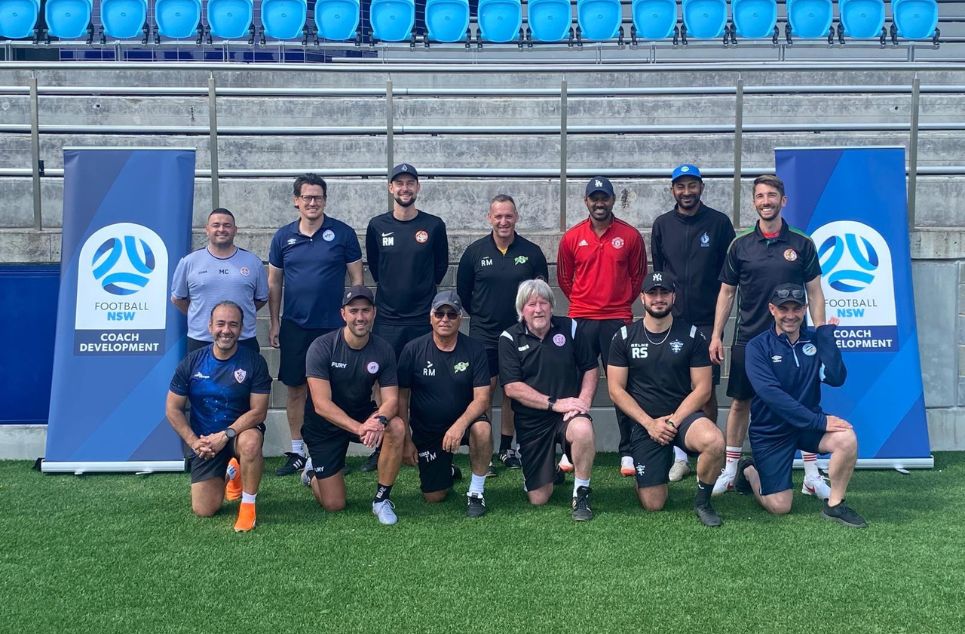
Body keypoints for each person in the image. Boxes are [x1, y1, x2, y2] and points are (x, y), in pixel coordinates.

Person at [709, 174, 828, 498]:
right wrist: (716, 335)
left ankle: (813, 474)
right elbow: (727, 293)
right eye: (760, 196)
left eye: (772, 196)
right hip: (749, 339)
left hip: (794, 340)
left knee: (803, 403)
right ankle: (732, 470)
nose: (766, 201)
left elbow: (815, 292)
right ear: (754, 202)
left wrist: (819, 335)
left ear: (783, 201)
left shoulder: (802, 244)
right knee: (740, 403)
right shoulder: (740, 245)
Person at [735, 283, 866, 528]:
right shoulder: (757, 347)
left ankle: (835, 505)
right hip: (771, 431)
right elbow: (771, 394)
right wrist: (820, 421)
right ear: (772, 309)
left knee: (846, 439)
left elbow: (837, 379)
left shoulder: (815, 340)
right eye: (784, 309)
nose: (790, 315)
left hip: (806, 426)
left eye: (797, 308)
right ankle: (749, 470)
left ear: (805, 308)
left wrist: (826, 338)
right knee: (780, 507)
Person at [607, 272, 726, 527]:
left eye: (664, 293)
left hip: (683, 418)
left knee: (714, 441)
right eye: (653, 293)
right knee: (654, 503)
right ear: (642, 298)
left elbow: (703, 389)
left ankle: (703, 502)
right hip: (645, 422)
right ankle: (649, 472)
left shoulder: (692, 335)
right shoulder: (624, 337)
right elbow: (616, 390)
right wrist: (650, 424)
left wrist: (673, 422)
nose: (658, 299)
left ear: (673, 296)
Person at [268, 174, 364, 477]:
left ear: (325, 200)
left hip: (334, 328)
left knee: (333, 392)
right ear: (296, 200)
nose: (312, 202)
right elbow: (274, 282)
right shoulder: (283, 237)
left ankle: (330, 451)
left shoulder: (343, 234)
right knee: (296, 389)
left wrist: (353, 319)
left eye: (318, 197)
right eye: (307, 197)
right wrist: (274, 322)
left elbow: (357, 281)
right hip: (296, 325)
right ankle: (297, 451)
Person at [557, 176, 647, 478]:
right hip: (581, 319)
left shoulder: (630, 236)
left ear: (612, 200)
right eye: (594, 198)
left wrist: (617, 303)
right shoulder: (571, 238)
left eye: (604, 198)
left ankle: (628, 452)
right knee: (574, 385)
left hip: (617, 319)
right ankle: (569, 450)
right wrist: (586, 304)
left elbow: (638, 278)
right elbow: (565, 280)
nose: (599, 203)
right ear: (586, 201)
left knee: (621, 387)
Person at [362, 163, 449, 472]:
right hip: (387, 319)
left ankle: (421, 443)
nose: (404, 188)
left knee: (422, 383)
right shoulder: (376, 226)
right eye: (399, 183)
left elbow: (439, 269)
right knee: (384, 385)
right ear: (390, 188)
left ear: (417, 188)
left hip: (422, 319)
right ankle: (385, 443)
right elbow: (375, 268)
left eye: (410, 183)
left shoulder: (434, 226)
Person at [650, 165, 735, 482]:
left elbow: (727, 280)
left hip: (705, 324)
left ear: (701, 187)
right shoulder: (661, 225)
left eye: (692, 186)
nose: (686, 192)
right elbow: (660, 275)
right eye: (680, 187)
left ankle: (707, 453)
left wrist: (715, 331)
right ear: (672, 190)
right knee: (674, 388)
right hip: (672, 321)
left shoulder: (720, 223)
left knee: (706, 390)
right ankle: (680, 456)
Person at [456, 194, 548, 472]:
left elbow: (541, 293)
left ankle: (508, 449)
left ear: (516, 217)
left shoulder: (532, 252)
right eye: (498, 216)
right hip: (483, 333)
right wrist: (484, 316)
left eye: (508, 216)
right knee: (484, 390)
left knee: (513, 390)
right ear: (489, 218)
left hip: (520, 333)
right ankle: (483, 449)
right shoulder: (474, 252)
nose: (503, 221)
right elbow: (464, 293)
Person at [300, 285, 406, 525]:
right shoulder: (322, 346)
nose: (360, 317)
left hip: (361, 413)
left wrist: (378, 421)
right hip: (324, 423)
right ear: (343, 314)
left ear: (374, 313)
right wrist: (359, 428)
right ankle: (312, 473)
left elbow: (391, 400)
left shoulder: (383, 349)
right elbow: (321, 404)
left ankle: (381, 499)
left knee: (396, 426)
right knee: (334, 504)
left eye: (366, 310)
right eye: (354, 310)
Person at [166, 301, 271, 533]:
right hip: (205, 442)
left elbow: (258, 412)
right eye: (221, 324)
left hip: (238, 435)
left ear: (241, 328)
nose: (226, 330)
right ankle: (231, 472)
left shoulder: (254, 362)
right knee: (204, 509)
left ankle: (248, 505)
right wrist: (195, 443)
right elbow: (172, 409)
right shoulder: (192, 362)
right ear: (210, 326)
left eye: (233, 325)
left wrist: (225, 435)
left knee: (251, 442)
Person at [498, 279, 598, 521]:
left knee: (583, 429)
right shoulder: (509, 338)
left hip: (568, 416)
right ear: (522, 310)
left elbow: (590, 367)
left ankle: (581, 493)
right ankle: (548, 470)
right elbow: (512, 388)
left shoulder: (570, 328)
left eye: (543, 303)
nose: (538, 309)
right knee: (539, 498)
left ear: (552, 307)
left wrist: (582, 402)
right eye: (532, 304)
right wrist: (554, 403)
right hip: (532, 421)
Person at [398, 290, 493, 517]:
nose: (445, 319)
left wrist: (460, 425)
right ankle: (448, 470)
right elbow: (401, 398)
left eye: (452, 314)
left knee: (482, 429)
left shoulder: (475, 349)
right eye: (439, 313)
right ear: (430, 317)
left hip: (466, 422)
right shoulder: (412, 350)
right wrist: (406, 440)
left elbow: (482, 399)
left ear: (460, 318)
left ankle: (476, 492)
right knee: (434, 497)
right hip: (428, 429)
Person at [171, 208, 268, 353]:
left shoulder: (253, 262)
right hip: (201, 340)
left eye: (227, 225)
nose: (221, 229)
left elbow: (261, 299)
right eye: (216, 225)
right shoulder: (189, 262)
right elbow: (178, 299)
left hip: (242, 340)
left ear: (235, 230)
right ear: (207, 229)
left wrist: (239, 315)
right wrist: (199, 314)